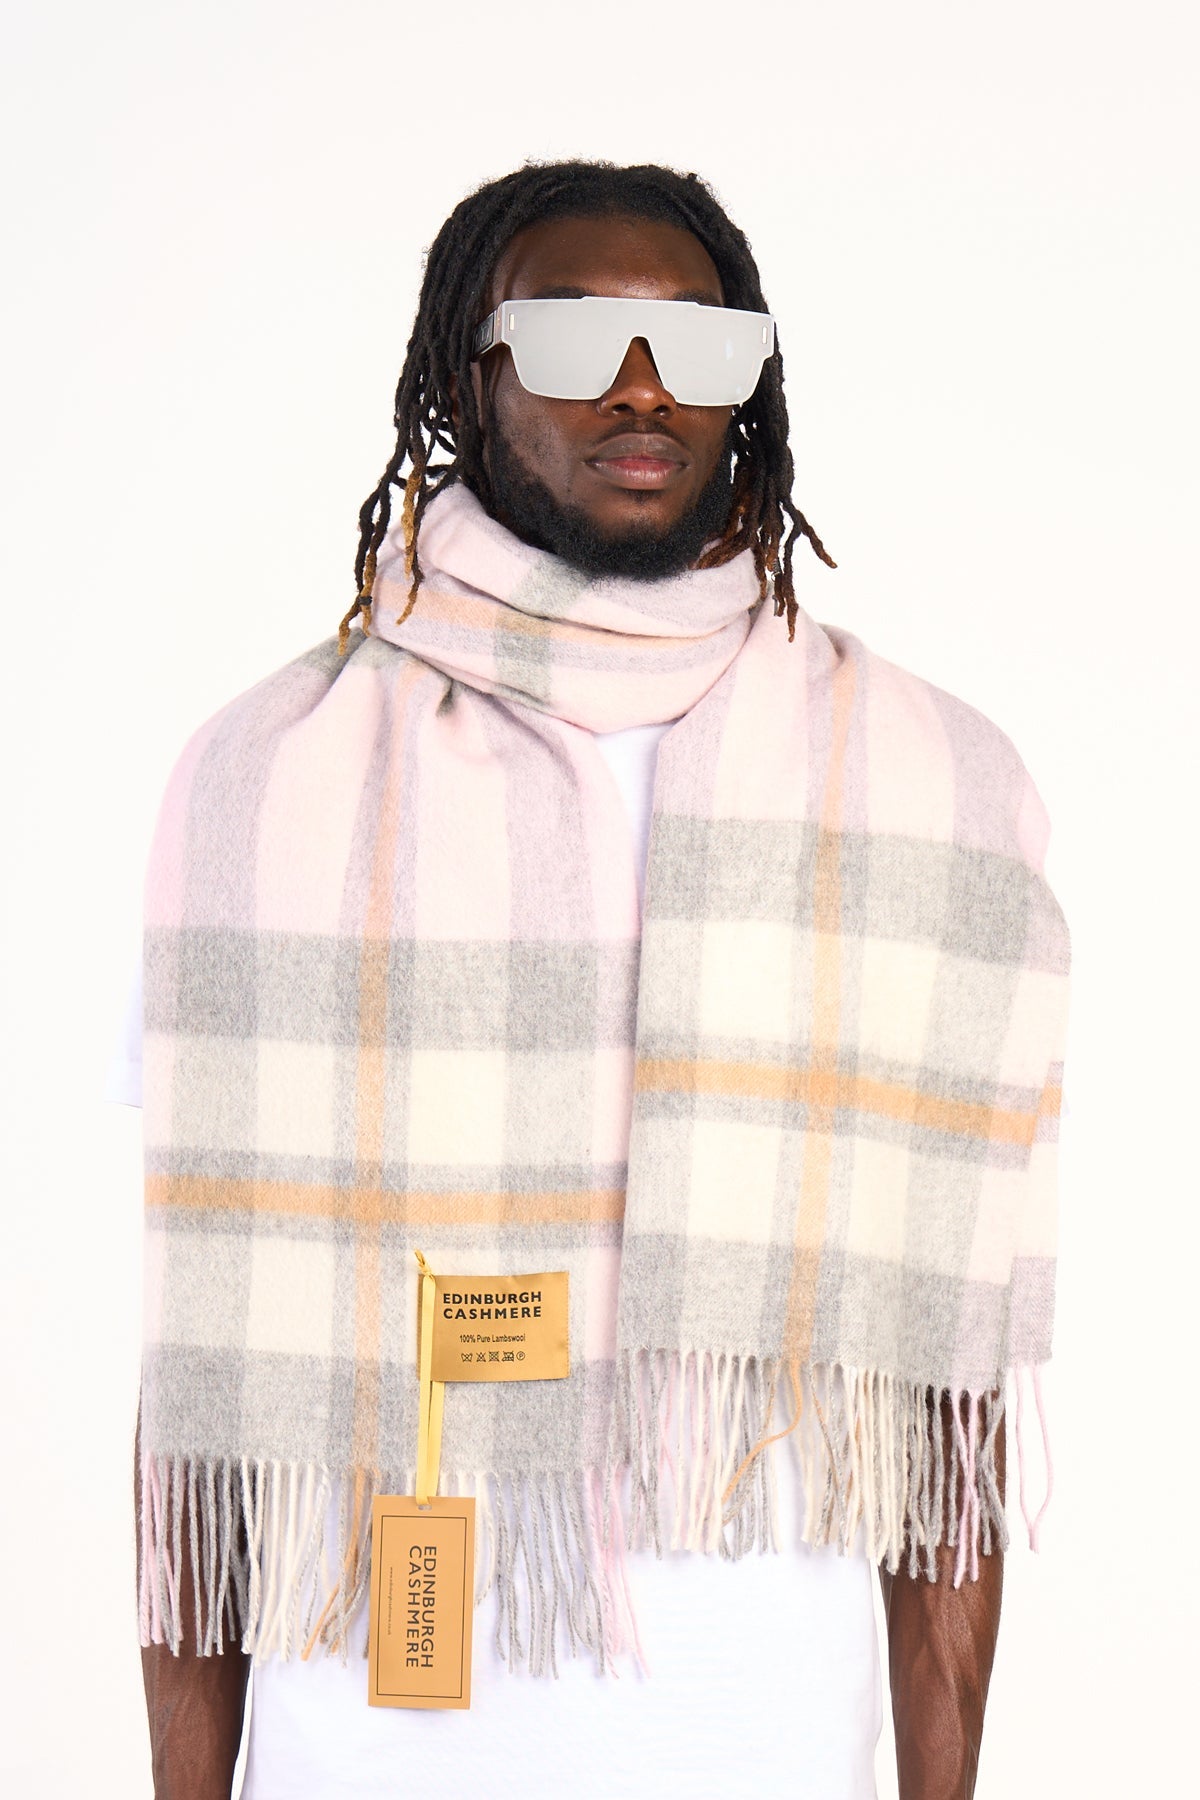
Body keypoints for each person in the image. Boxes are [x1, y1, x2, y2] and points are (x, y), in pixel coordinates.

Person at [115, 159, 1068, 1800]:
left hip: (766, 1750)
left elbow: (943, 1398)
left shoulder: (939, 797)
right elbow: (204, 1389)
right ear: (468, 377)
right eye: (571, 340)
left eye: (698, 348)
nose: (641, 389)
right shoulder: (265, 786)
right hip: (364, 1748)